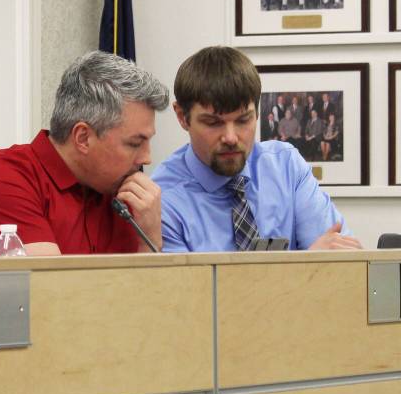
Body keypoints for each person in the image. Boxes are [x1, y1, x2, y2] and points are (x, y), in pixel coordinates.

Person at [0, 51, 169, 257]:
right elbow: (46, 290)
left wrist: (149, 240)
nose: (146, 158)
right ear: (83, 138)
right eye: (135, 143)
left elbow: (149, 292)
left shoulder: (123, 195)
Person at [152, 46, 359, 252]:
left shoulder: (286, 166)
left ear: (258, 113)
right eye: (213, 123)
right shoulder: (160, 200)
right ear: (182, 116)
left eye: (243, 120)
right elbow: (188, 283)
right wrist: (307, 265)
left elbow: (343, 259)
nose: (231, 138)